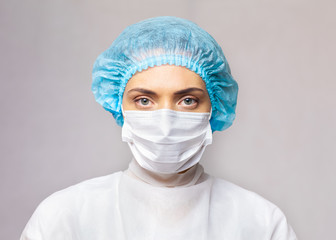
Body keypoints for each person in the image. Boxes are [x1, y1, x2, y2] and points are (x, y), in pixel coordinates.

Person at [21, 16, 297, 240]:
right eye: (144, 100)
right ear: (120, 107)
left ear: (213, 109)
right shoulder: (63, 217)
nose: (166, 122)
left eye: (187, 100)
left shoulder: (260, 223)